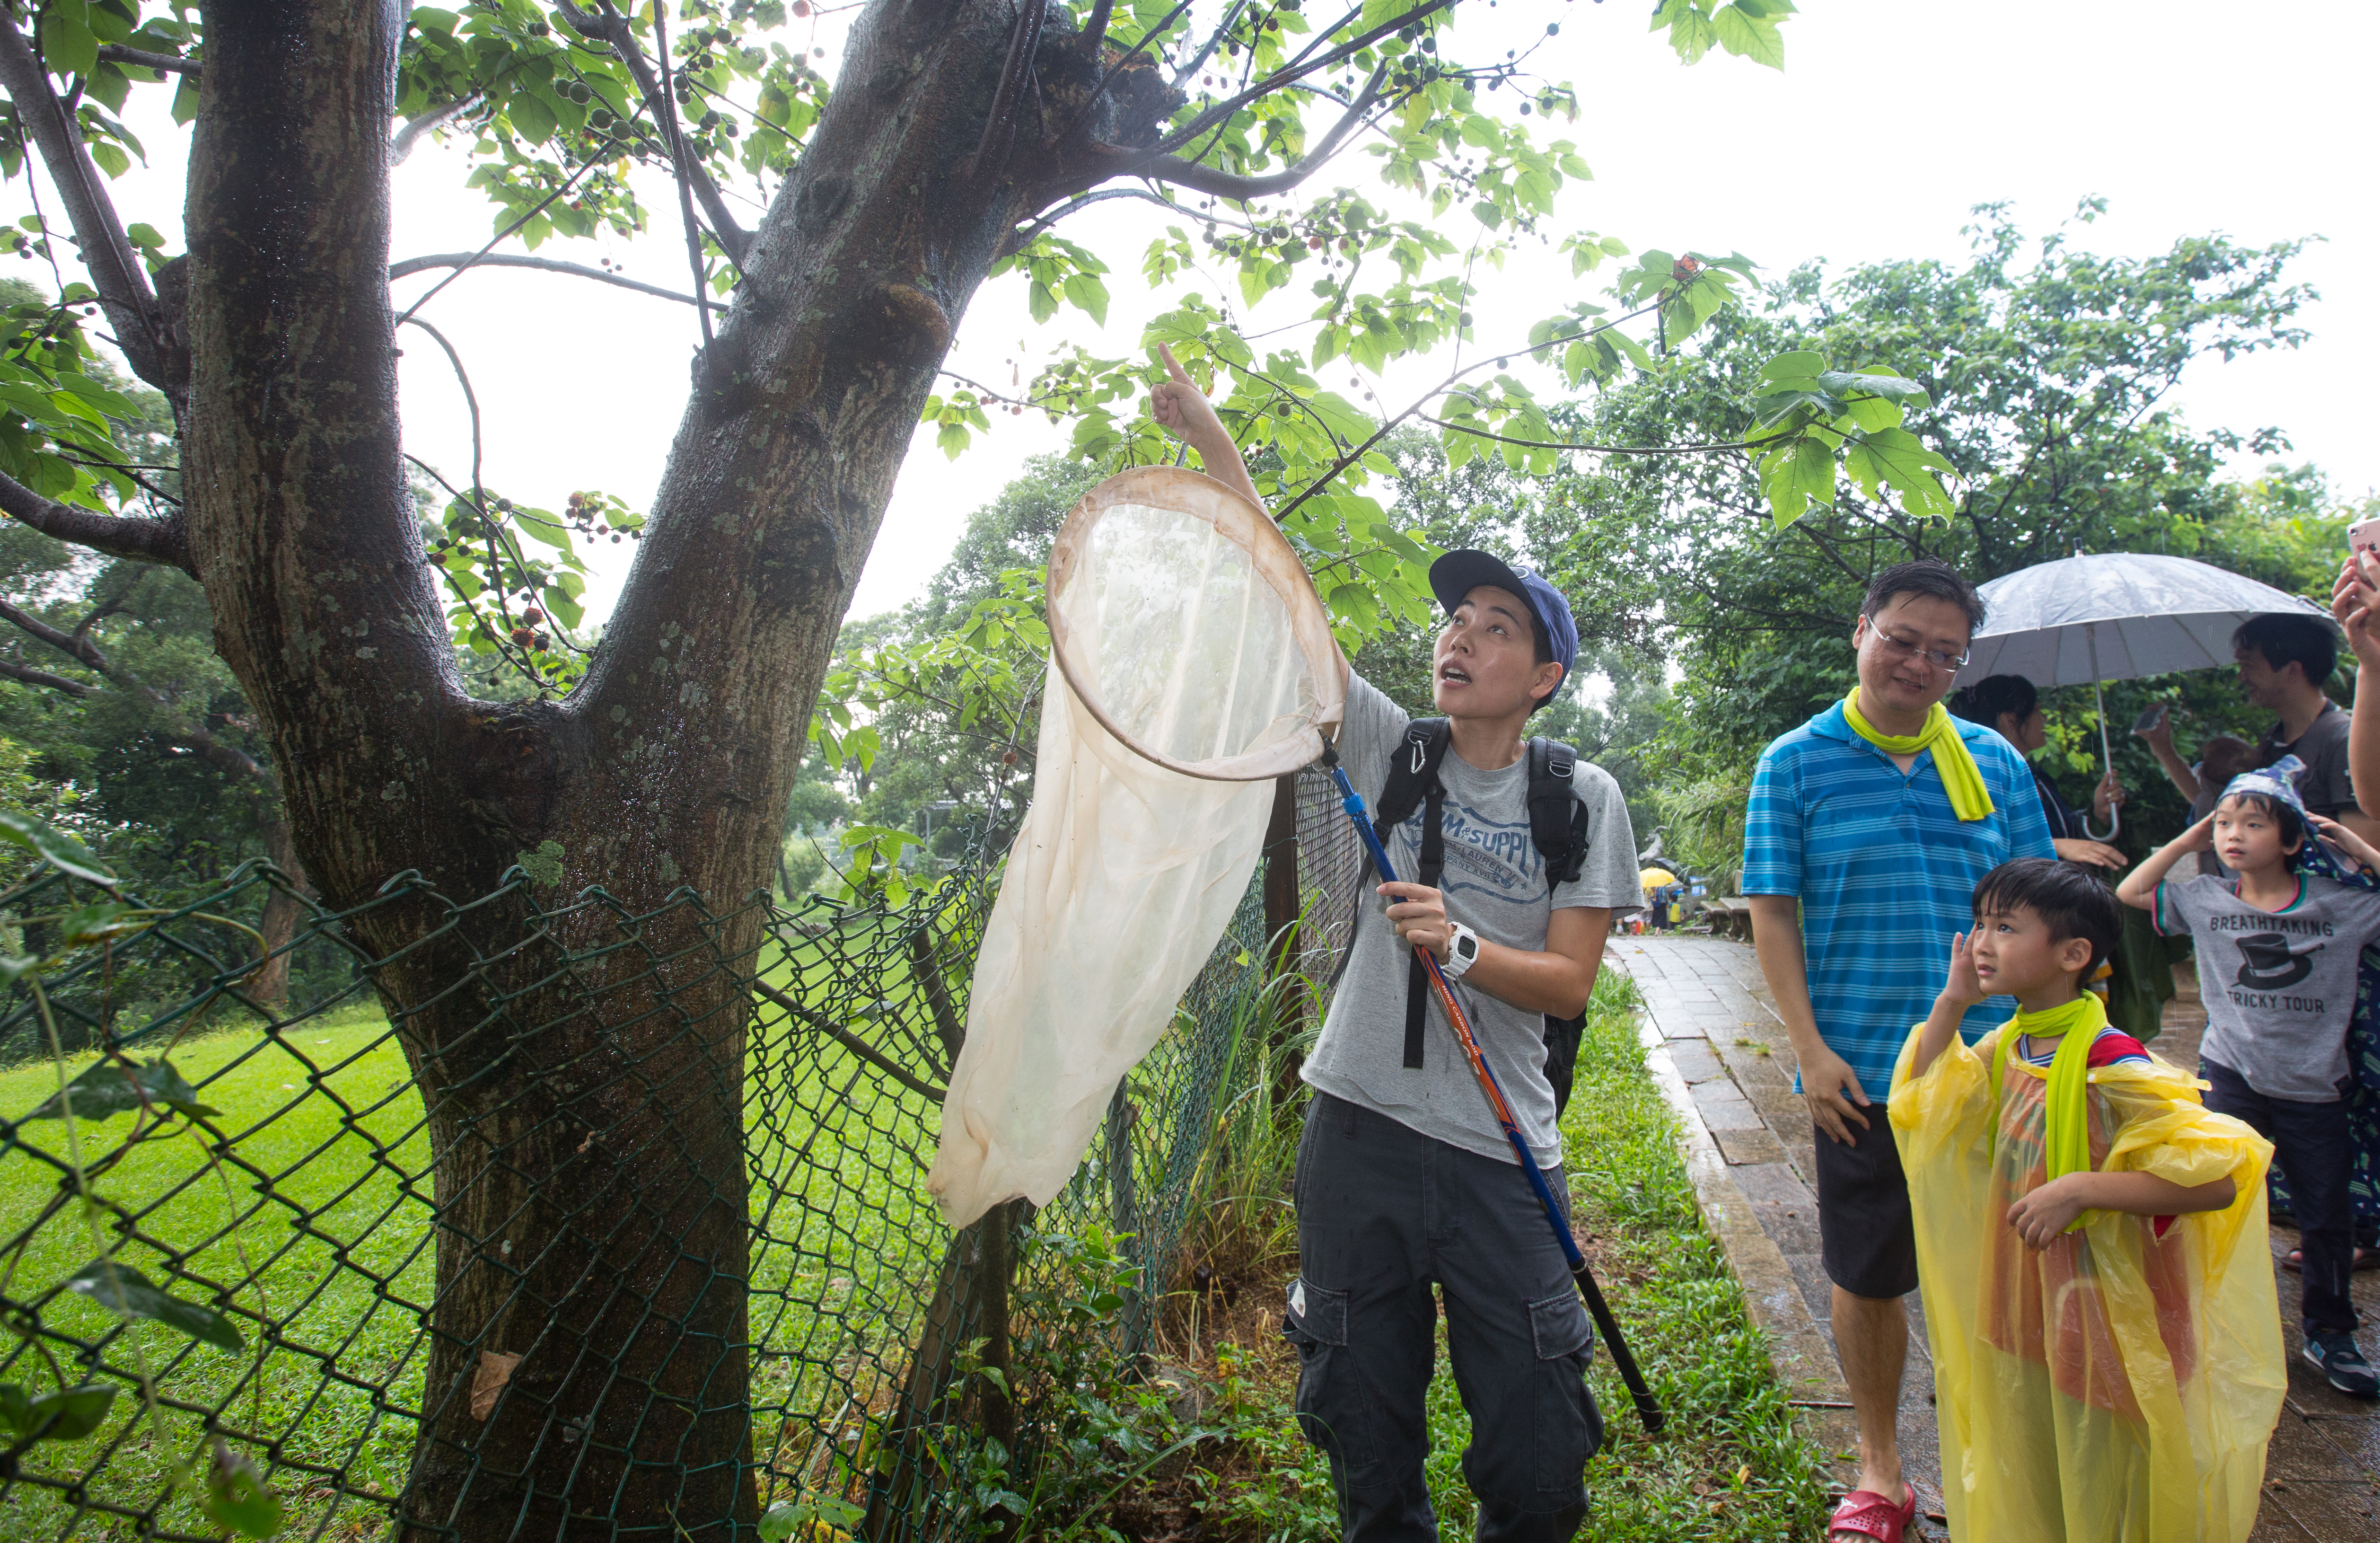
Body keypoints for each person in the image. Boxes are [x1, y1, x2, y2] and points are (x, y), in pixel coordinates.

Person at [1152, 346, 1644, 1542]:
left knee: (1535, 1447)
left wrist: (1461, 944)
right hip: (1355, 1128)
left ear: (1544, 675)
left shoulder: (1582, 798)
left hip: (1498, 1146)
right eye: (1454, 620)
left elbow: (1568, 983)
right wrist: (1213, 445)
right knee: (1362, 1425)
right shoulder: (1393, 749)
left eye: (1494, 627)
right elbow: (1291, 602)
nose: (1459, 638)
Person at [1743, 560, 2057, 1543]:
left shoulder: (1994, 763)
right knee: (1869, 1271)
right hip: (1864, 1071)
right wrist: (1809, 1049)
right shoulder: (1793, 763)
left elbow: (2043, 908)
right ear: (1861, 630)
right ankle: (1882, 1470)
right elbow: (1771, 911)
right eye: (1902, 640)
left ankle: (1999, 1463)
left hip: (1994, 1067)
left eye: (1944, 654)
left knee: (2008, 1274)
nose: (1919, 665)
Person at [1891, 858, 2280, 1541]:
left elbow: (2219, 1178)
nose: (1981, 942)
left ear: (2072, 954)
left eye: (2005, 927)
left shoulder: (2114, 1063)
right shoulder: (2013, 1042)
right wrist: (1951, 1002)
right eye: (1979, 924)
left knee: (2107, 1466)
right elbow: (1924, 1100)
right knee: (2036, 1446)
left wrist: (2082, 1188)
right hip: (2026, 1293)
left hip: (2104, 1306)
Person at [2115, 759, 2380, 1398]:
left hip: (2314, 1086)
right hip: (2231, 1076)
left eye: (2253, 823)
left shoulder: (2340, 906)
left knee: (2325, 1215)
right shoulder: (2205, 899)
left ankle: (2329, 1333)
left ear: (2291, 839)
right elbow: (2130, 892)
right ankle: (2215, 1323)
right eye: (2225, 823)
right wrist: (2187, 839)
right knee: (2220, 1199)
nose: (2233, 834)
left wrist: (2355, 847)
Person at [2136, 613, 2378, 845]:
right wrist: (2163, 749)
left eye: (2249, 665)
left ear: (2293, 670)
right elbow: (2225, 811)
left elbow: (2365, 851)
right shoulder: (2274, 739)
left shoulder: (2344, 742)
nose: (2241, 677)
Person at [1946, 674, 2127, 870]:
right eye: (2037, 711)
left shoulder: (2039, 779)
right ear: (2010, 721)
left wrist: (2099, 814)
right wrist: (2056, 846)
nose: (2044, 719)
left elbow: (2068, 837)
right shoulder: (1980, 781)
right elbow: (1981, 849)